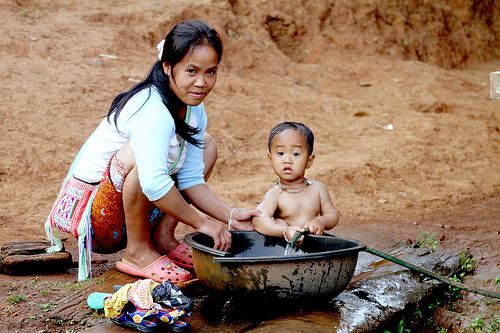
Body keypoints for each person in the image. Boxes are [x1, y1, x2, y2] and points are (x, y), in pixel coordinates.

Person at [45, 19, 257, 283]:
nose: (202, 82)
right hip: (99, 223)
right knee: (140, 157)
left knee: (206, 145)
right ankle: (137, 251)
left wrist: (231, 216)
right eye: (192, 71)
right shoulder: (151, 108)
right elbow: (154, 183)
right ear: (168, 67)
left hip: (137, 207)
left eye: (210, 72)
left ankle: (163, 238)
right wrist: (202, 223)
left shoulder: (194, 109)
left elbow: (191, 179)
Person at [253, 122, 339, 242]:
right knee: (279, 222)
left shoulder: (318, 189)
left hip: (313, 248)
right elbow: (258, 220)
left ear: (309, 160)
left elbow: (333, 215)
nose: (287, 160)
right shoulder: (275, 195)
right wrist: (284, 231)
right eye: (280, 153)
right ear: (270, 159)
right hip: (285, 249)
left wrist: (320, 221)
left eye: (296, 154)